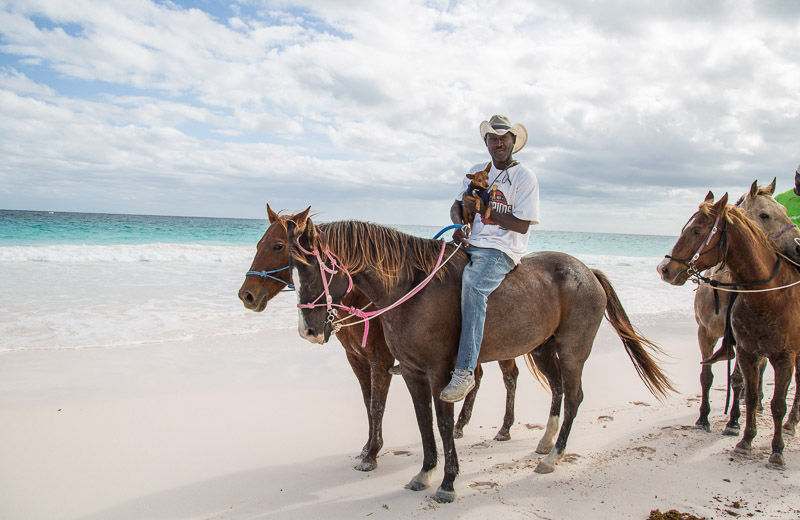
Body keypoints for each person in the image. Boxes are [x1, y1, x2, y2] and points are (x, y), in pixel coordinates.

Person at [440, 115, 540, 403]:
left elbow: (522, 225)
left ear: (513, 142)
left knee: (473, 285)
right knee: (428, 273)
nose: (498, 142)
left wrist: (485, 213)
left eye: (503, 138)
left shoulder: (524, 177)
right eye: (493, 138)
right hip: (470, 242)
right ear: (486, 143)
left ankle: (465, 371)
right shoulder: (475, 170)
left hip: (501, 249)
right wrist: (460, 226)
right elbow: (456, 205)